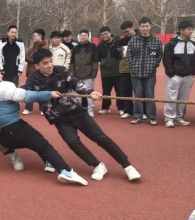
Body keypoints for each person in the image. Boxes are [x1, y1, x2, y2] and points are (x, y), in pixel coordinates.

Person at [24, 48, 142, 182]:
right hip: (59, 118)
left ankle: (127, 166)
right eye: (45, 63)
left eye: (51, 61)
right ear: (37, 66)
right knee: (72, 142)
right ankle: (98, 165)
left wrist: (90, 92)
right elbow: (23, 93)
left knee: (100, 138)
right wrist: (46, 95)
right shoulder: (33, 79)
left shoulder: (61, 70)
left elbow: (77, 84)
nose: (50, 65)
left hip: (76, 111)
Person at [0, 64, 88, 185]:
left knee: (36, 142)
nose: (2, 75)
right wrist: (48, 94)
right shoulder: (4, 86)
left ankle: (49, 162)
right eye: (0, 73)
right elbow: (25, 96)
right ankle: (66, 171)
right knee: (42, 144)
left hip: (1, 137)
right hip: (13, 128)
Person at [127, 17, 163, 125]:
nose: (145, 28)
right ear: (139, 27)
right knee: (137, 95)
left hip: (150, 74)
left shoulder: (156, 41)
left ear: (150, 26)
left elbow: (160, 54)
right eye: (142, 26)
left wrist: (154, 65)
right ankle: (138, 116)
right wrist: (133, 67)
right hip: (136, 73)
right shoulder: (133, 41)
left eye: (147, 26)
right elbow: (129, 55)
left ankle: (151, 117)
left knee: (150, 95)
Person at [163, 20, 195, 128]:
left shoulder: (193, 43)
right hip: (175, 76)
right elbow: (167, 61)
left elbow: (194, 60)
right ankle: (169, 118)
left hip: (188, 76)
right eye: (189, 29)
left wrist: (192, 74)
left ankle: (179, 117)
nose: (191, 31)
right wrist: (171, 75)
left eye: (192, 29)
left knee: (183, 98)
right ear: (181, 30)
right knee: (171, 97)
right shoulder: (171, 44)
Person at [70, 29, 99, 117]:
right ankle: (79, 109)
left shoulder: (92, 47)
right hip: (77, 74)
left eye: (85, 35)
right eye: (81, 35)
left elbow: (95, 61)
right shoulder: (76, 48)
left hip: (88, 74)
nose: (83, 37)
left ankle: (90, 110)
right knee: (77, 93)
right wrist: (72, 74)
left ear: (88, 37)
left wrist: (93, 74)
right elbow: (72, 62)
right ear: (79, 37)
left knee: (90, 92)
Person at [97, 26, 122, 115]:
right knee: (106, 91)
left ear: (110, 33)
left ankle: (121, 108)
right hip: (105, 72)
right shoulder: (99, 46)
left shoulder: (118, 43)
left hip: (118, 72)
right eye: (102, 34)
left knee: (120, 91)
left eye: (106, 33)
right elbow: (97, 59)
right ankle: (105, 107)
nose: (104, 36)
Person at [23, 28, 47, 114]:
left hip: (40, 71)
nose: (33, 37)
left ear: (40, 36)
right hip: (31, 71)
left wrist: (31, 59)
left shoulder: (44, 47)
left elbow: (40, 59)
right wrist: (32, 59)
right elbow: (26, 56)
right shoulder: (32, 46)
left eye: (35, 36)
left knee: (41, 90)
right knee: (29, 89)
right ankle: (28, 108)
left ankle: (42, 108)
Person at [116, 21, 136, 118]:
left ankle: (141, 111)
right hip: (124, 69)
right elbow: (116, 56)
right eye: (124, 32)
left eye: (127, 31)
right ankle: (128, 110)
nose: (126, 33)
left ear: (132, 28)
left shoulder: (139, 38)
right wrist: (119, 52)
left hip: (137, 69)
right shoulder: (122, 41)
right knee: (126, 91)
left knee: (139, 91)